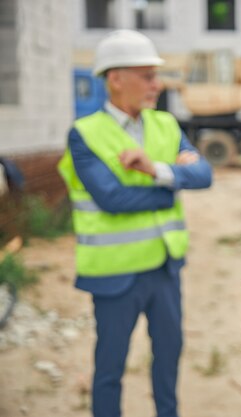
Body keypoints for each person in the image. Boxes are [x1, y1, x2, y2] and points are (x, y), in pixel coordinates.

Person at [57, 29, 212, 417]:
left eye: (154, 76)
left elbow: (205, 175)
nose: (156, 85)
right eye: (146, 76)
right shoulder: (84, 134)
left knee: (169, 358)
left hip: (163, 268)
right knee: (110, 367)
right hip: (115, 274)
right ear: (115, 78)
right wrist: (172, 184)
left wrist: (154, 169)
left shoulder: (166, 125)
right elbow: (112, 199)